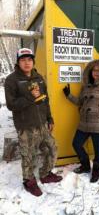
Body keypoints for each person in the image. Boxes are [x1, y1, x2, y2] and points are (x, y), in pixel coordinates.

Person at [5, 48, 62, 197]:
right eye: (23, 60)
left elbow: (45, 100)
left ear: (33, 62)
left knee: (52, 149)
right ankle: (28, 181)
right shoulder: (12, 80)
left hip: (42, 123)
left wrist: (50, 118)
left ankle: (45, 174)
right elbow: (11, 104)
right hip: (26, 126)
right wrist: (30, 96)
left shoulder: (39, 78)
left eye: (29, 59)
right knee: (29, 155)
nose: (27, 63)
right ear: (18, 62)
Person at [63, 59, 99, 182]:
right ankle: (85, 166)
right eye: (94, 70)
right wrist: (68, 95)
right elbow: (80, 102)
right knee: (76, 143)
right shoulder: (85, 85)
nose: (96, 73)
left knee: (98, 149)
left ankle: (96, 171)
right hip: (84, 123)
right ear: (90, 71)